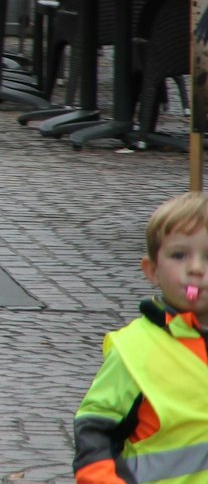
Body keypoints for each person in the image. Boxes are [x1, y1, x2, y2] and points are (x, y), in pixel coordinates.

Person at [73, 192, 208, 483]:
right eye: (179, 255)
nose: (196, 268)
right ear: (152, 270)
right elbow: (96, 430)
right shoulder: (134, 350)